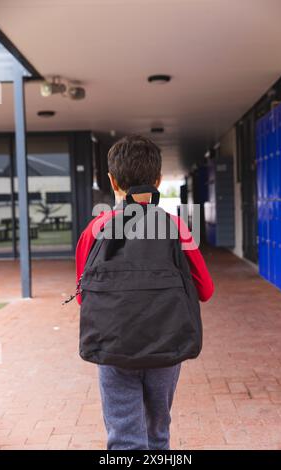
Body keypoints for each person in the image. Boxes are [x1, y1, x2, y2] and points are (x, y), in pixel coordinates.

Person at [75, 135, 214, 450]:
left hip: (113, 346)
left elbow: (84, 296)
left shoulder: (95, 229)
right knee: (158, 432)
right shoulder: (176, 227)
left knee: (124, 437)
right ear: (158, 180)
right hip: (166, 346)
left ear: (112, 181)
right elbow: (205, 290)